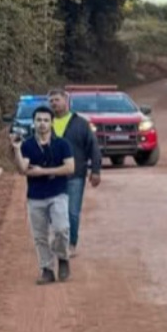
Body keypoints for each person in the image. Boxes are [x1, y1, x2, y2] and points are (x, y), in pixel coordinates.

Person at [10, 106, 75, 284]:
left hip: (58, 193)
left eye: (46, 120)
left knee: (62, 229)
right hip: (36, 196)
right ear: (34, 122)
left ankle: (62, 258)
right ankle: (46, 269)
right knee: (40, 235)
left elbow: (70, 168)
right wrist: (16, 149)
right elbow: (23, 169)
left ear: (52, 122)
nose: (42, 124)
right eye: (39, 120)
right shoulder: (28, 145)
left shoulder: (62, 144)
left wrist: (42, 171)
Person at [47, 89, 101, 257]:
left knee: (72, 211)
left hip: (75, 175)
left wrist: (96, 170)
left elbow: (93, 147)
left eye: (57, 100)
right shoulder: (46, 123)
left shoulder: (80, 124)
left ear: (66, 100)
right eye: (51, 101)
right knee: (53, 212)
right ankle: (58, 241)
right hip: (52, 176)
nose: (54, 103)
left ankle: (71, 244)